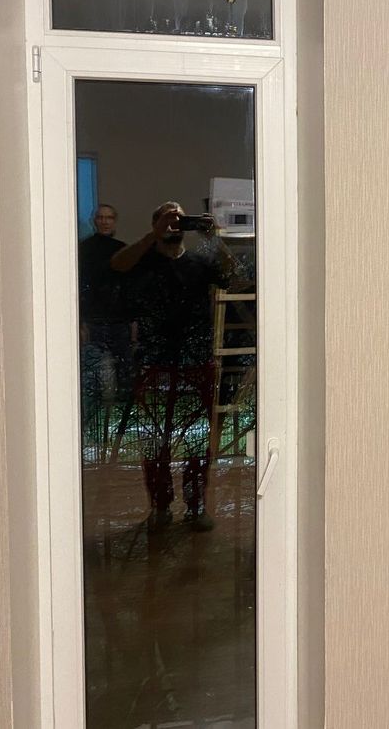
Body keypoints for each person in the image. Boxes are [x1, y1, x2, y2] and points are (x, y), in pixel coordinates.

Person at [111, 201, 236, 531]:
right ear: (155, 224)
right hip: (155, 362)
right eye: (166, 219)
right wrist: (151, 236)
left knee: (197, 440)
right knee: (154, 441)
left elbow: (234, 277)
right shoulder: (143, 260)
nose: (173, 225)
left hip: (196, 362)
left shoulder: (199, 262)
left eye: (179, 219)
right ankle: (160, 506)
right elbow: (117, 264)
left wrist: (213, 238)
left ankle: (195, 507)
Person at [78, 205, 134, 456]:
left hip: (119, 321)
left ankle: (119, 437)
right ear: (95, 220)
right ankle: (93, 433)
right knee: (94, 381)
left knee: (123, 379)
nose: (104, 221)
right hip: (94, 321)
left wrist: (133, 322)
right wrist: (81, 321)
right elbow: (81, 288)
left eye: (109, 217)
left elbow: (128, 290)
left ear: (115, 221)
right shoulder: (84, 249)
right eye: (100, 217)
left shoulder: (123, 250)